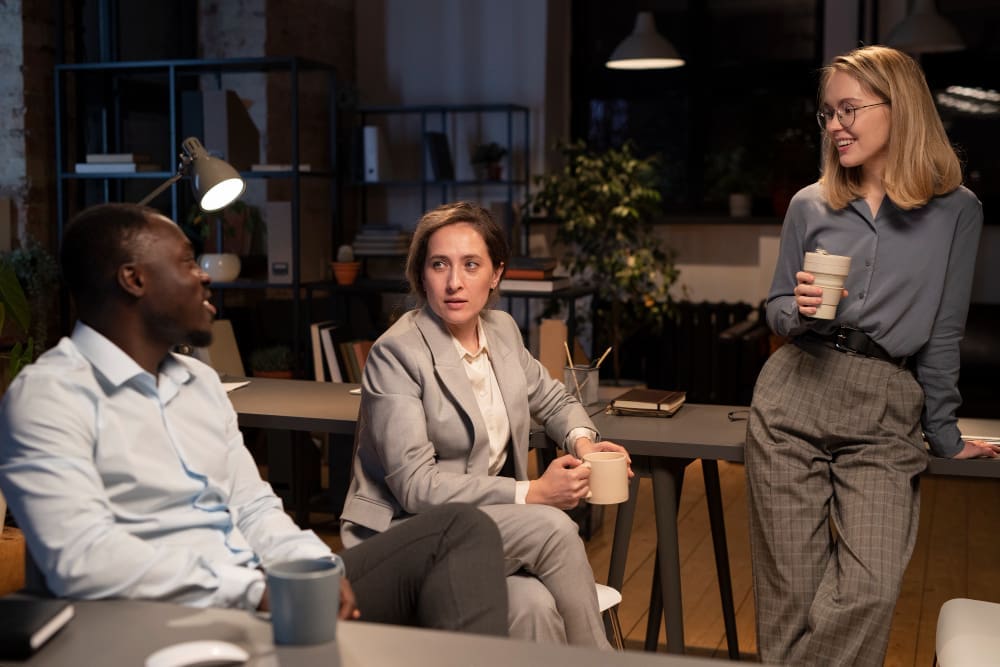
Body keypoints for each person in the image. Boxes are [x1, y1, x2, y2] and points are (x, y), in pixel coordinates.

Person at [0, 202, 509, 638]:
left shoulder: (198, 383)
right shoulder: (49, 396)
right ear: (133, 279)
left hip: (260, 587)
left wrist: (310, 570)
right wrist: (254, 589)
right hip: (154, 619)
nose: (204, 274)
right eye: (184, 261)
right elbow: (83, 561)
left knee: (462, 529)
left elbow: (252, 505)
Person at [746, 45, 999, 666]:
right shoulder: (811, 204)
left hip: (887, 406)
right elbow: (776, 308)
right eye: (827, 112)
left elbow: (944, 334)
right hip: (793, 391)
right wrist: (799, 311)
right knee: (791, 599)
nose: (835, 125)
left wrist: (942, 431)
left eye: (849, 108)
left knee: (869, 587)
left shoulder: (958, 212)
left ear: (900, 106)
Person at [340, 201, 631, 648]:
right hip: (405, 535)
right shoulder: (396, 353)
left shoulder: (502, 331)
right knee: (551, 527)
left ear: (495, 274)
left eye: (470, 265)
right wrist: (530, 493)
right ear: (421, 274)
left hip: (482, 527)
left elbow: (553, 399)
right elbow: (417, 488)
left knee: (534, 608)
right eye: (439, 265)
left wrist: (583, 443)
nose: (454, 282)